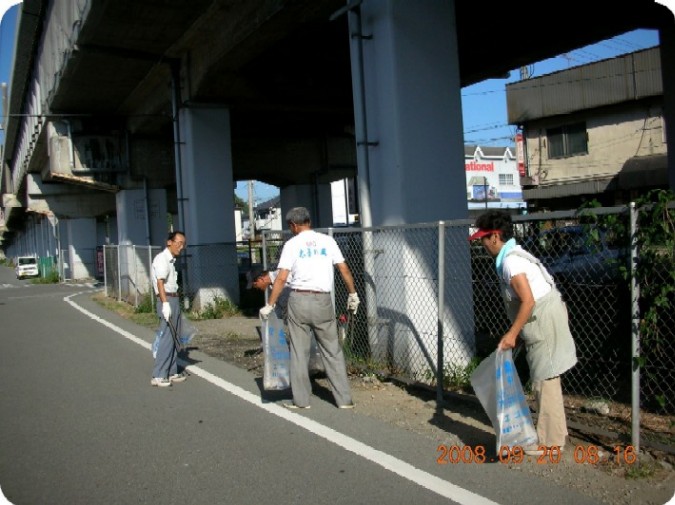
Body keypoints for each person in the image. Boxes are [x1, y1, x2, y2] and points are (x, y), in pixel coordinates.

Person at [469, 210, 577, 455]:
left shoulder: (511, 262)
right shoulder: (513, 257)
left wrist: (512, 334)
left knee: (544, 379)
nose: (483, 245)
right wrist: (517, 333)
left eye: (483, 239)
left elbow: (527, 301)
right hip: (543, 318)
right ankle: (555, 434)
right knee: (546, 377)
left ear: (495, 237)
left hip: (543, 320)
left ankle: (551, 443)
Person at [259, 207, 360, 409]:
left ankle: (301, 401)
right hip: (323, 300)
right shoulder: (328, 241)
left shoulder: (291, 244)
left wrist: (270, 305)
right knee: (332, 350)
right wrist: (353, 294)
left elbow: (281, 277)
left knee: (299, 352)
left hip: (299, 299)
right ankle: (344, 399)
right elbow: (344, 269)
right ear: (309, 221)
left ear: (293, 225)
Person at [248, 267, 325, 374]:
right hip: (295, 315)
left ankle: (317, 365)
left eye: (254, 284)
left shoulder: (281, 275)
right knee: (300, 341)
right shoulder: (272, 289)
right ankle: (309, 367)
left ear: (261, 279)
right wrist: (269, 319)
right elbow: (278, 308)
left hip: (308, 307)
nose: (256, 288)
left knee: (312, 337)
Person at [150, 230, 189, 388]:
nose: (181, 246)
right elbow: (160, 282)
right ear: (169, 242)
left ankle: (171, 371)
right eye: (178, 243)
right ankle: (159, 374)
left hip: (173, 298)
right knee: (167, 337)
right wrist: (165, 303)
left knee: (175, 336)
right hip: (167, 299)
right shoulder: (162, 259)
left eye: (183, 244)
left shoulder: (171, 260)